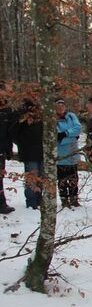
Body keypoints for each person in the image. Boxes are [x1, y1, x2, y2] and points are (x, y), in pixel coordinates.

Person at [11, 97, 43, 209]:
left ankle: (39, 200)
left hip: (41, 151)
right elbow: (14, 132)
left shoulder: (42, 114)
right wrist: (23, 143)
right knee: (32, 178)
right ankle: (31, 202)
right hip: (29, 152)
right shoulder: (22, 115)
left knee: (41, 178)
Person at [56, 98, 82, 208]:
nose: (61, 107)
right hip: (60, 155)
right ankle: (64, 199)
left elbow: (78, 129)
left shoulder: (71, 116)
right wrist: (72, 137)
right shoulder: (53, 119)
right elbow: (56, 138)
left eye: (62, 105)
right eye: (58, 105)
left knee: (74, 178)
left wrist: (66, 133)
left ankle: (74, 199)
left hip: (72, 154)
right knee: (62, 179)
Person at [0, 82, 16, 214]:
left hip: (2, 148)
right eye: (7, 91)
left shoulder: (7, 109)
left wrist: (9, 148)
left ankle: (1, 203)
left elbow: (9, 132)